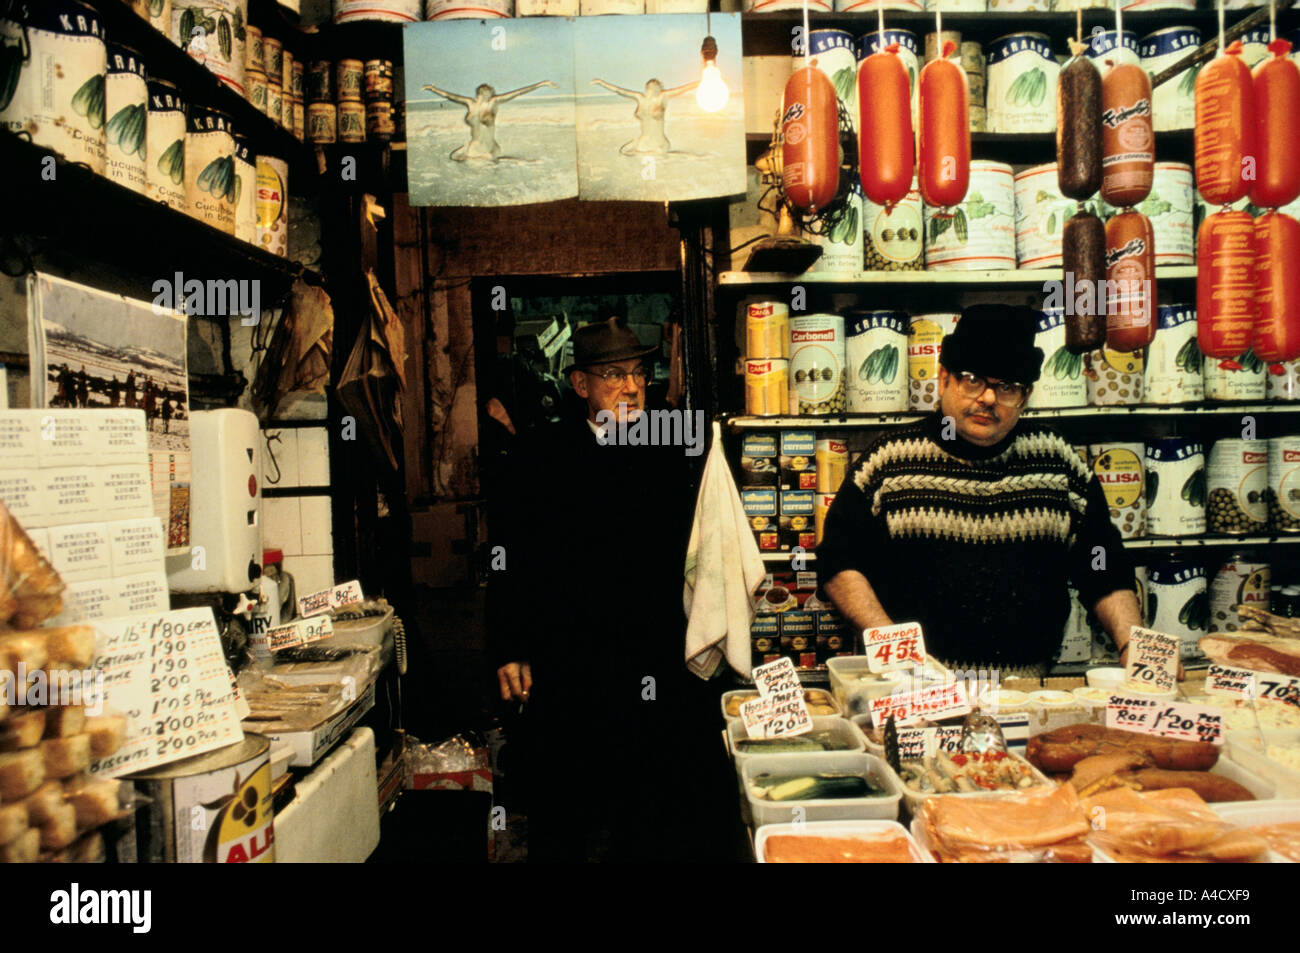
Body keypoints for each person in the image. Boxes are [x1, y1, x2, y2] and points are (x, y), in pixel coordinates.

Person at [489, 317, 726, 862]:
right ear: (581, 386)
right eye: (614, 375)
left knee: (647, 801)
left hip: (650, 653)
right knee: (562, 804)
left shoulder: (671, 447)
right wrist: (509, 647)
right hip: (566, 658)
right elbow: (507, 558)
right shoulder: (540, 454)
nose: (631, 386)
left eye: (639, 372)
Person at [816, 305, 1145, 677]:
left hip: (1027, 692)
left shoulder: (1059, 464)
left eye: (1007, 387)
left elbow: (1102, 563)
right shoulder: (887, 463)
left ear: (1025, 396)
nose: (988, 399)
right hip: (915, 688)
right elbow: (839, 562)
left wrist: (1134, 646)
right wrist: (893, 645)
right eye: (973, 379)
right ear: (944, 380)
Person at [422, 80, 556, 161]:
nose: (492, 95)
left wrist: (541, 84)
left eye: (491, 93)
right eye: (489, 93)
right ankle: (465, 149)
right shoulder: (470, 103)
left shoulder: (493, 102)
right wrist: (433, 89)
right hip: (475, 148)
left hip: (490, 148)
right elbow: (451, 96)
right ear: (481, 93)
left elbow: (517, 93)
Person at [590, 77, 697, 155]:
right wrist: (601, 82)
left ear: (659, 88)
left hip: (660, 144)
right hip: (643, 143)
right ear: (647, 88)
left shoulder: (663, 96)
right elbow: (620, 91)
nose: (653, 87)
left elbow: (684, 88)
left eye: (656, 86)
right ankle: (636, 143)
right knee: (623, 153)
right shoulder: (639, 97)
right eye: (650, 86)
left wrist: (703, 80)